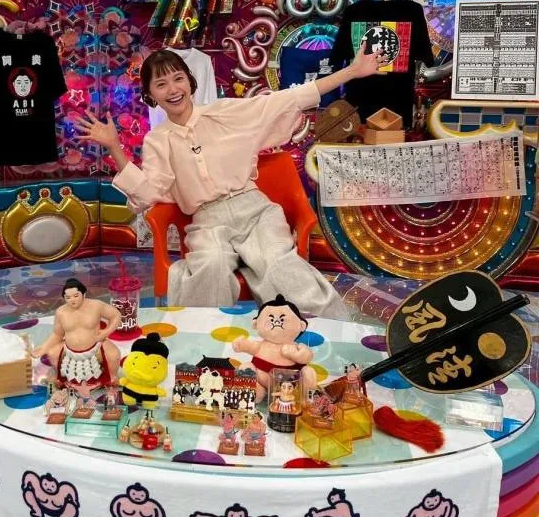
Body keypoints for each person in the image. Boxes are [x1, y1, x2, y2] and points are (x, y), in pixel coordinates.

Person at [76, 46, 382, 315]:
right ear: (150, 94)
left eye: (178, 78)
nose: (172, 89)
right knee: (210, 265)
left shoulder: (227, 112)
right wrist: (115, 147)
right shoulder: (157, 140)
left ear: (190, 82)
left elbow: (290, 98)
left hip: (256, 211)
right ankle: (205, 344)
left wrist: (352, 71)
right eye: (161, 84)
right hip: (208, 220)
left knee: (278, 264)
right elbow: (150, 191)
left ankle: (318, 333)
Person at [31, 277, 121, 390]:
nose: (72, 300)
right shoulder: (61, 312)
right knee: (52, 352)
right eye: (68, 297)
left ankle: (112, 378)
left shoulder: (96, 306)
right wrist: (44, 348)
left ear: (84, 294)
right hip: (69, 350)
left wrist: (106, 332)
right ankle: (60, 378)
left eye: (75, 296)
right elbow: (58, 335)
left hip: (96, 346)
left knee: (114, 354)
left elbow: (115, 315)